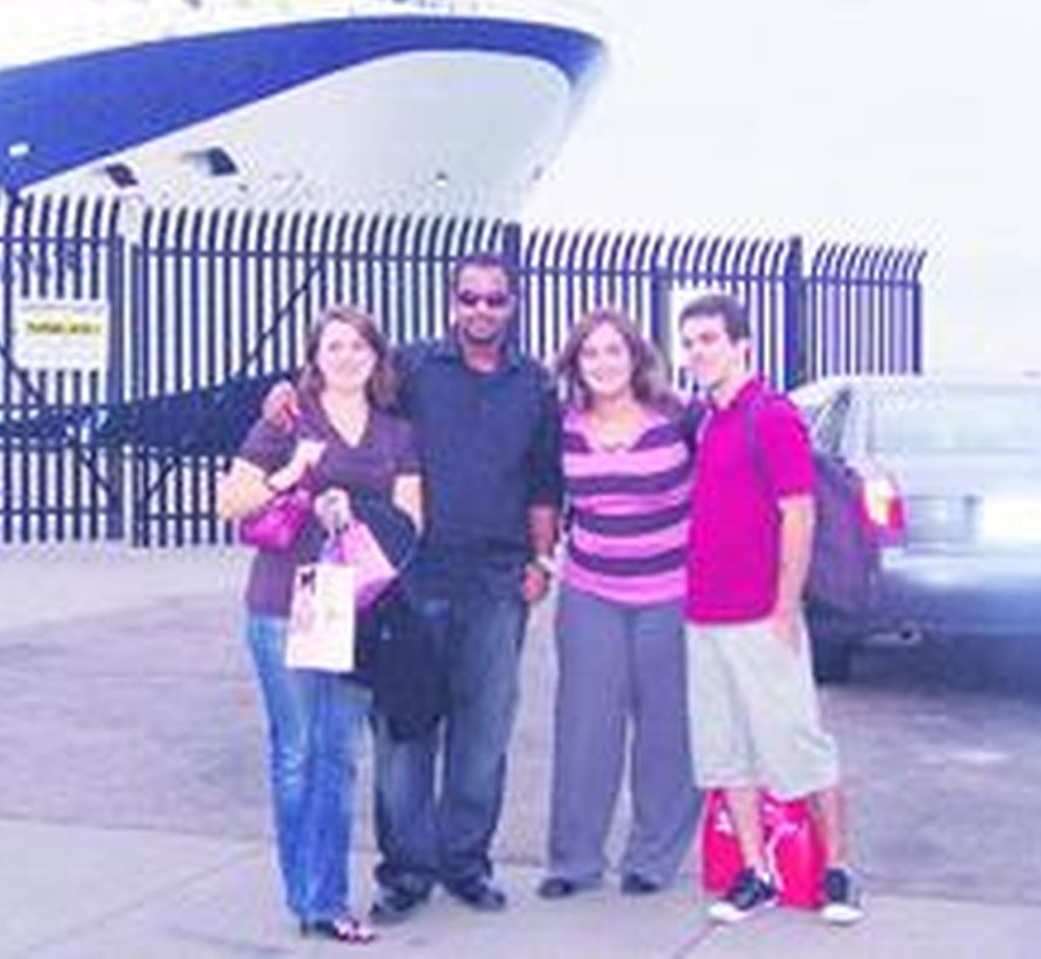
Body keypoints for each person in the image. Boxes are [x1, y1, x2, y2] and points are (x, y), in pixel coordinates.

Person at [264, 252, 562, 922]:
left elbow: (545, 481)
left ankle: (465, 863)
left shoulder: (535, 385)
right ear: (451, 302)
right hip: (409, 578)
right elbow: (341, 389)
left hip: (497, 579)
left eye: (495, 299)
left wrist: (542, 559)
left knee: (483, 732)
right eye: (470, 298)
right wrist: (283, 394)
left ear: (512, 305)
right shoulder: (414, 369)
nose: (481, 310)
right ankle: (405, 872)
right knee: (403, 729)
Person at [217, 305, 422, 945]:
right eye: (335, 345)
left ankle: (328, 900)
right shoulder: (285, 420)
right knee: (297, 752)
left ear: (375, 357)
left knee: (338, 755)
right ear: (315, 355)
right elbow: (231, 502)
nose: (347, 356)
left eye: (359, 345)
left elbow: (413, 520)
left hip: (356, 611)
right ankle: (308, 895)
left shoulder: (395, 433)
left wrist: (352, 510)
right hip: (285, 603)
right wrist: (292, 474)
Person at [676, 292, 863, 926]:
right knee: (727, 753)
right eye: (691, 341)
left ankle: (838, 871)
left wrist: (785, 605)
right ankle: (754, 872)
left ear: (741, 346)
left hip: (763, 617)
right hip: (703, 616)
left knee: (798, 747)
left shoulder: (773, 416)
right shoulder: (704, 419)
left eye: (709, 339)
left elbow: (799, 514)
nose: (698, 351)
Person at [536, 308, 701, 900]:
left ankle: (652, 858)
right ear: (575, 365)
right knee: (585, 730)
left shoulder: (679, 418)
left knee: (668, 731)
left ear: (636, 357)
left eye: (614, 351)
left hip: (672, 596)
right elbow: (541, 499)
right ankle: (574, 862)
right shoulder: (562, 426)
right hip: (591, 594)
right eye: (590, 354)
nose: (603, 363)